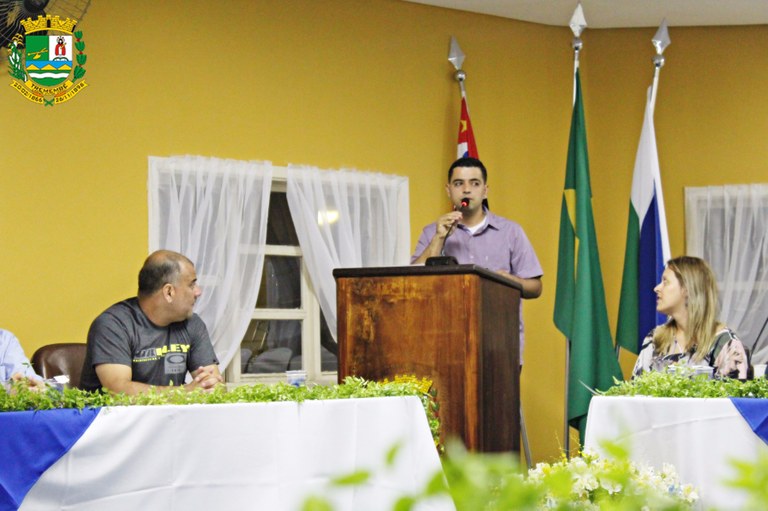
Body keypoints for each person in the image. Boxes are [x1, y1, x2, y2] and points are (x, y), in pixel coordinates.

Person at [411, 157, 543, 361]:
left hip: (501, 345)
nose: (466, 190)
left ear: (485, 191)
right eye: (458, 184)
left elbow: (535, 288)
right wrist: (439, 238)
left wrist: (508, 281)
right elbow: (414, 282)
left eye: (474, 183)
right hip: (446, 345)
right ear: (448, 190)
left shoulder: (511, 232)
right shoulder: (432, 232)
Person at [80, 250, 223, 394]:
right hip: (111, 410)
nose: (198, 292)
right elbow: (119, 391)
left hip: (172, 409)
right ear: (169, 292)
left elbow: (214, 384)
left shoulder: (192, 323)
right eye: (191, 285)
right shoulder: (113, 325)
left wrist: (210, 386)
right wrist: (185, 392)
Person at [633, 255, 749, 379]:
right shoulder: (655, 339)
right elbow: (635, 389)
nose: (656, 288)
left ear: (687, 289)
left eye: (665, 282)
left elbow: (734, 390)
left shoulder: (726, 344)